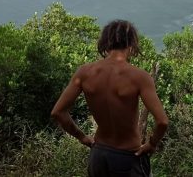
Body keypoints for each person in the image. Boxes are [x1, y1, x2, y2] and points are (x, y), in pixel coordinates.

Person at [51, 19, 169, 177]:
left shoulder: (84, 73)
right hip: (128, 156)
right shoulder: (139, 77)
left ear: (105, 43)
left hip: (99, 155)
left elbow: (58, 112)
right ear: (131, 44)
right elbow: (162, 121)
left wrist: (82, 137)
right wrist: (152, 144)